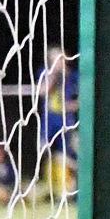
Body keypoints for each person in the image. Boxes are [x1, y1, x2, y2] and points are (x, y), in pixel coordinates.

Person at [35, 44, 78, 200]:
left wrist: (70, 105)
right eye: (53, 59)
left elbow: (82, 98)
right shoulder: (45, 73)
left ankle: (65, 190)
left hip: (66, 120)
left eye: (59, 59)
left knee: (65, 154)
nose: (57, 62)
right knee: (46, 152)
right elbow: (41, 91)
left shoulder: (73, 76)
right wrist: (54, 76)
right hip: (48, 120)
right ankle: (49, 187)